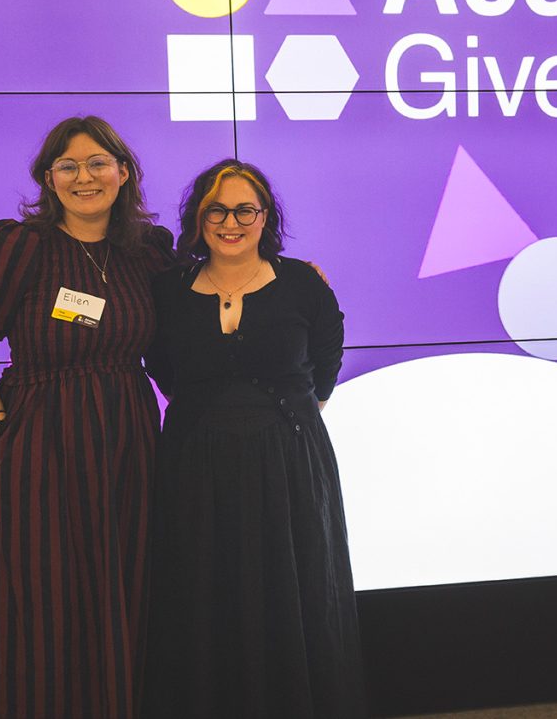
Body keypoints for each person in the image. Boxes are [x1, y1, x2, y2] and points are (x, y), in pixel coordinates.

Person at [0, 116, 174, 719]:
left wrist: (297, 279)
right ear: (49, 179)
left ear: (124, 173)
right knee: (37, 601)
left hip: (127, 441)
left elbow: (223, 277)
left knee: (121, 587)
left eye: (98, 162)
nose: (84, 176)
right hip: (38, 443)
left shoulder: (146, 254)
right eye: (66, 166)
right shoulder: (17, 249)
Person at [144, 160, 366, 718]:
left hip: (289, 459)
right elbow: (162, 366)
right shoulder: (167, 289)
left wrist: (278, 418)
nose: (231, 221)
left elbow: (325, 364)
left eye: (246, 209)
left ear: (266, 216)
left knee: (294, 590)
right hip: (195, 462)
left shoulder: (302, 283)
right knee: (203, 591)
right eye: (216, 209)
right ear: (198, 217)